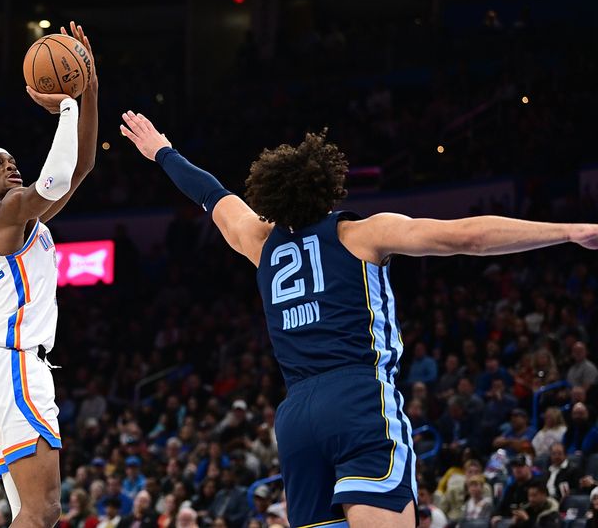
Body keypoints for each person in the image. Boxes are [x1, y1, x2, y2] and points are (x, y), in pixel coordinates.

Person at [118, 111, 598, 528]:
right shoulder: (360, 233)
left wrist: (161, 150)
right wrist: (570, 231)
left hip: (296, 419)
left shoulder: (258, 242)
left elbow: (212, 195)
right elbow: (467, 237)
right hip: (358, 398)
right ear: (328, 187)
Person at [0, 21, 98, 525]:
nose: (10, 165)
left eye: (12, 160)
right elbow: (57, 174)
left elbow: (79, 168)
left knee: (32, 512)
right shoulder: (1, 218)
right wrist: (64, 105)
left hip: (2, 370)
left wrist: (90, 87)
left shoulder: (25, 220)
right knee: (43, 511)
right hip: (14, 365)